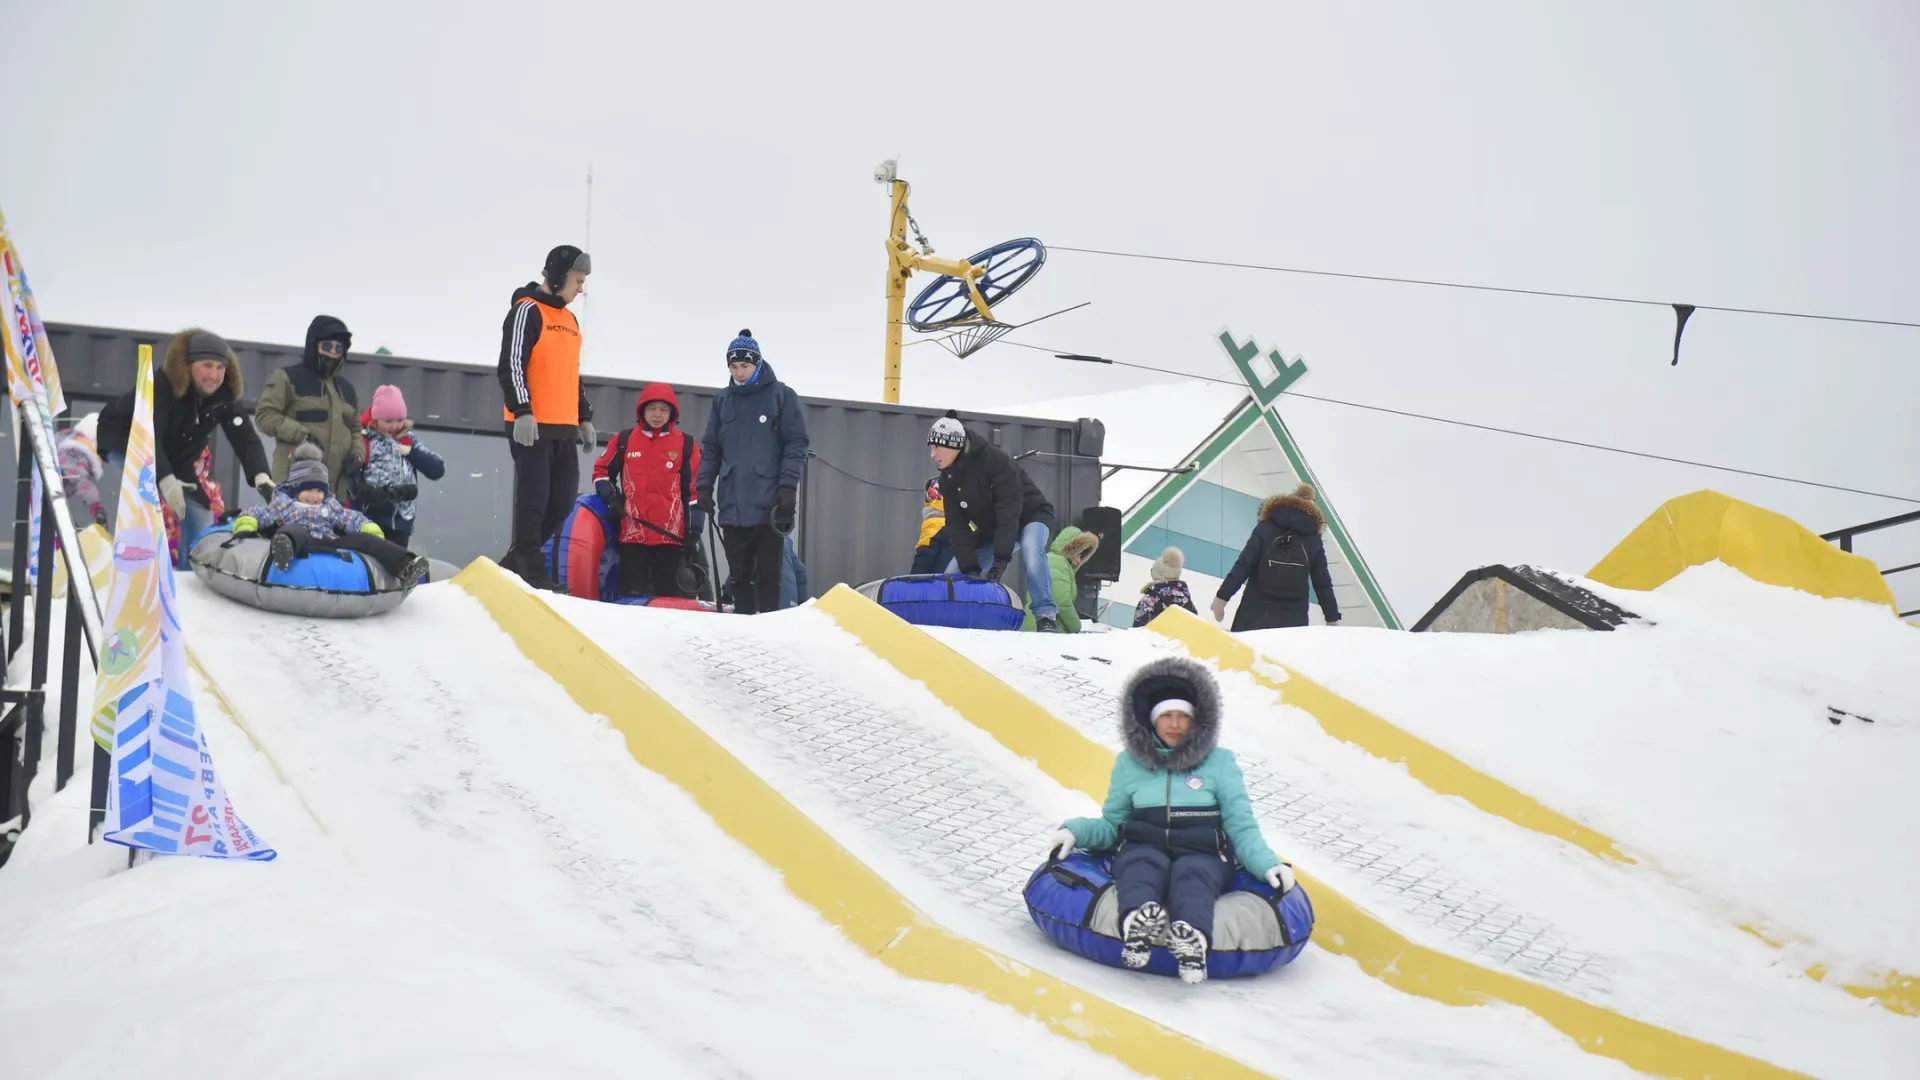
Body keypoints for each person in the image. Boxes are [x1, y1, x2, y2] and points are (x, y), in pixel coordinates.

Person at [1045, 656, 1295, 985]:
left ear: (1197, 721)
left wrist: (1267, 864)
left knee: (1193, 874)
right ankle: (1138, 923)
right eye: (1166, 715)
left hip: (1202, 851)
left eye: (1183, 716)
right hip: (1143, 844)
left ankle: (1192, 939)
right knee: (1139, 865)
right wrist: (1075, 831)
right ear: (1152, 720)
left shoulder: (1218, 763)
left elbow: (1240, 825)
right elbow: (1111, 826)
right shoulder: (1130, 764)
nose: (1175, 724)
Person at [96, 328, 275, 568]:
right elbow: (149, 437)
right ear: (188, 364)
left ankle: (189, 580)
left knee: (200, 513)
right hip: (127, 441)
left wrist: (261, 475)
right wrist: (166, 480)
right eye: (207, 366)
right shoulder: (162, 385)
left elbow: (245, 437)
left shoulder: (224, 395)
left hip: (175, 454)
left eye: (220, 367)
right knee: (148, 496)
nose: (214, 375)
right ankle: (134, 569)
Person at [497, 245, 597, 591]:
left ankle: (516, 561)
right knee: (534, 497)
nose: (581, 287)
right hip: (532, 423)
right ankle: (529, 564)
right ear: (557, 276)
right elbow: (512, 364)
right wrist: (523, 410)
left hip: (563, 423)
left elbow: (571, 373)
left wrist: (583, 416)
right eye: (577, 280)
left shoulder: (570, 320)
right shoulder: (527, 310)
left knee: (563, 498)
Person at [695, 329, 809, 615]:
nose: (740, 372)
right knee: (739, 577)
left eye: (745, 365)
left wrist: (787, 490)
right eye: (734, 367)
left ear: (757, 363)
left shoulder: (782, 396)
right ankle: (742, 628)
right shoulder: (722, 401)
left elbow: (795, 445)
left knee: (770, 576)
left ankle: (769, 629)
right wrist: (704, 486)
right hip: (733, 502)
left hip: (769, 504)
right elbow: (711, 448)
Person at [926, 410, 1061, 631]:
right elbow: (957, 526)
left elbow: (1009, 511)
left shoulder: (995, 461)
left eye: (936, 447)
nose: (932, 454)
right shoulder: (948, 479)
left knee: (1030, 549)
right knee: (953, 572)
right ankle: (956, 617)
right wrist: (970, 567)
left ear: (953, 445)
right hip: (994, 528)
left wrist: (1000, 560)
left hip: (1030, 516)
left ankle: (1045, 614)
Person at [233, 443, 428, 587]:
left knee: (361, 539)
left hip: (329, 541)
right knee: (291, 530)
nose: (314, 496)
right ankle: (284, 551)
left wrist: (367, 528)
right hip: (301, 541)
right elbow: (259, 514)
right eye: (308, 490)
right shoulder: (284, 504)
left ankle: (406, 565)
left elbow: (351, 517)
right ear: (295, 489)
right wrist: (246, 524)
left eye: (319, 491)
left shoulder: (330, 505)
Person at [592, 382, 702, 599]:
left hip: (670, 538)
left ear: (672, 413)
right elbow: (601, 472)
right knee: (632, 598)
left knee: (667, 599)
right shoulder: (624, 440)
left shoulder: (686, 444)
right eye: (652, 408)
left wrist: (694, 532)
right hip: (632, 535)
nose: (657, 414)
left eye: (663, 409)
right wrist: (611, 498)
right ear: (642, 410)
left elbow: (694, 492)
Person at [1211, 483, 1341, 630]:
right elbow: (1323, 583)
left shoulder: (1265, 528)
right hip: (1293, 620)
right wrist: (1332, 618)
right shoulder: (1313, 539)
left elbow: (1243, 565)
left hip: (1254, 612)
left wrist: (1222, 598)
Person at [254, 315, 363, 489]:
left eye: (339, 348)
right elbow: (265, 415)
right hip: (294, 483)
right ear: (314, 346)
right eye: (327, 346)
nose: (333, 352)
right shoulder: (287, 378)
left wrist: (357, 454)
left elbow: (357, 429)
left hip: (335, 489)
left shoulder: (347, 390)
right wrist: (302, 435)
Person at [348, 385, 446, 550]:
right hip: (369, 519)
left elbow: (437, 470)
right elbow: (352, 480)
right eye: (388, 421)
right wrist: (371, 495)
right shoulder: (364, 440)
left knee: (394, 567)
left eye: (399, 420)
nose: (395, 426)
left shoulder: (408, 440)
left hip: (400, 522)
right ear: (375, 419)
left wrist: (411, 453)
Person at [1019, 526, 1097, 632]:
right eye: (1078, 555)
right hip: (1044, 630)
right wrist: (1076, 627)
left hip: (1037, 627)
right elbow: (1061, 600)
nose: (1079, 561)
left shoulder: (1051, 560)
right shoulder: (1057, 561)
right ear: (1072, 549)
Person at [55, 413, 107, 527]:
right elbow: (81, 480)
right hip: (47, 502)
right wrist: (96, 507)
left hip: (43, 500)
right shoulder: (76, 454)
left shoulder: (64, 447)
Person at [1133, 547, 1198, 627]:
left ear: (1156, 574)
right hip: (1177, 639)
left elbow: (1138, 630)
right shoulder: (1186, 599)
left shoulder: (1149, 600)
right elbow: (1194, 625)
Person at [909, 476, 952, 575]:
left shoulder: (933, 524)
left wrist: (913, 580)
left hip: (936, 584)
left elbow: (924, 557)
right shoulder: (966, 526)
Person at [778, 534, 808, 609]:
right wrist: (803, 604)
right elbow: (800, 572)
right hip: (791, 603)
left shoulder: (754, 539)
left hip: (772, 605)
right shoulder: (785, 540)